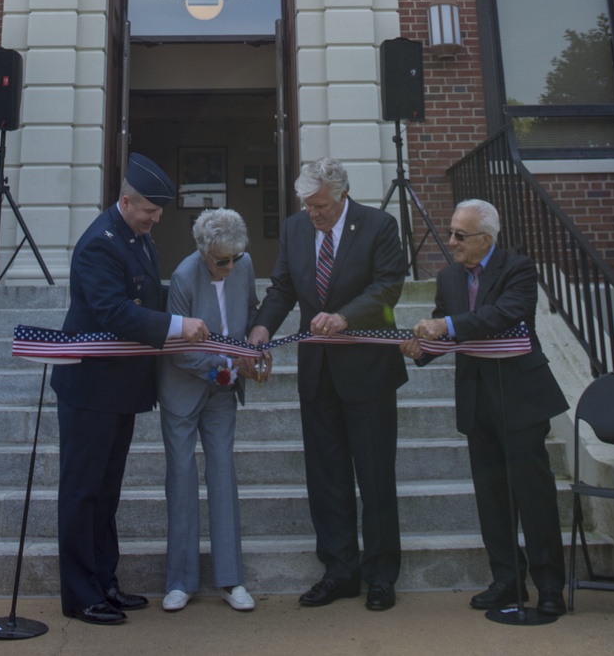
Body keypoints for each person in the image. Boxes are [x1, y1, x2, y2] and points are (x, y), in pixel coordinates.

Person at [52, 152, 209, 625]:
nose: (157, 219)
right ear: (126, 201)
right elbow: (115, 313)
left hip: (116, 389)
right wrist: (180, 325)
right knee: (82, 492)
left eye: (158, 212)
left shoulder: (135, 237)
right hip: (90, 388)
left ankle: (105, 582)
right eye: (151, 211)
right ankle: (81, 595)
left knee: (107, 491)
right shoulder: (99, 244)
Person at [248, 158, 406, 612]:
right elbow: (281, 287)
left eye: (319, 205)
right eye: (306, 204)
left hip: (368, 374)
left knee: (375, 478)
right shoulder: (297, 228)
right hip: (318, 375)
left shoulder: (378, 225)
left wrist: (345, 316)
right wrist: (262, 329)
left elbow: (387, 287)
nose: (311, 213)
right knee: (326, 479)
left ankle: (380, 575)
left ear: (341, 196)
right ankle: (340, 571)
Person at [400, 199, 568, 618]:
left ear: (486, 239)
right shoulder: (449, 277)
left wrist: (448, 326)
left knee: (534, 495)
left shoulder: (519, 269)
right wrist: (420, 349)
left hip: (521, 398)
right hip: (477, 400)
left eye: (460, 235)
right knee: (492, 498)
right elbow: (445, 329)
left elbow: (505, 314)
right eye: (451, 231)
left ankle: (549, 586)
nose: (451, 241)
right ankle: (507, 580)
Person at [158, 208, 262, 613]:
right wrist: (226, 365)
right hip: (183, 390)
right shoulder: (184, 276)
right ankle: (180, 582)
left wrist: (255, 348)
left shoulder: (244, 263)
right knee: (181, 480)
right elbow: (180, 348)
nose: (231, 266)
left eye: (236, 257)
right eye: (222, 260)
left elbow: (251, 313)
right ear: (203, 252)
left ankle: (231, 579)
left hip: (223, 390)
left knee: (222, 473)